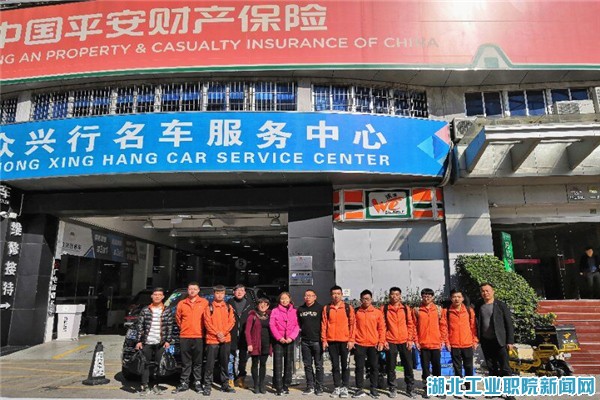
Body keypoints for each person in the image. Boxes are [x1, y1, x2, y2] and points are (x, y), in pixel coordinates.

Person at [475, 283, 515, 400]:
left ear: (493, 291)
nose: (485, 293)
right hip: (486, 341)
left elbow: (509, 323)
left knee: (505, 367)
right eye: (483, 291)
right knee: (491, 367)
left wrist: (510, 341)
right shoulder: (479, 305)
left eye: (487, 290)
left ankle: (509, 392)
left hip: (500, 341)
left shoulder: (501, 305)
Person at [135, 287, 173, 396]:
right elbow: (140, 326)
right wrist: (139, 341)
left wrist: (168, 340)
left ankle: (156, 385)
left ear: (163, 297)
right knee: (145, 364)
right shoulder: (145, 310)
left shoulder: (167, 310)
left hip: (160, 342)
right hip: (147, 341)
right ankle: (145, 385)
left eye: (159, 295)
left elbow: (169, 326)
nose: (157, 296)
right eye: (155, 294)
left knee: (158, 364)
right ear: (152, 296)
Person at [173, 282, 209, 394]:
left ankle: (197, 382)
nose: (192, 291)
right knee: (185, 362)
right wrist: (185, 327)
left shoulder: (204, 303)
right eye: (190, 289)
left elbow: (207, 318)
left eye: (194, 289)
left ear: (198, 290)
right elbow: (178, 319)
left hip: (199, 336)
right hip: (185, 336)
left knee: (198, 362)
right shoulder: (181, 303)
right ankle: (184, 382)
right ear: (187, 290)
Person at [380, 287, 415, 399]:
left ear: (400, 296)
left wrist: (410, 339)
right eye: (392, 294)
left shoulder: (405, 308)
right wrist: (384, 340)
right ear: (389, 296)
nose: (394, 296)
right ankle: (392, 388)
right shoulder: (384, 308)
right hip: (390, 340)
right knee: (391, 366)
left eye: (397, 294)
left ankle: (410, 388)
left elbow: (410, 324)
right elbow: (382, 326)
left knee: (408, 365)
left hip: (404, 340)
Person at [321, 285, 355, 399]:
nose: (336, 296)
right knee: (335, 366)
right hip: (332, 341)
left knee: (345, 365)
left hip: (345, 341)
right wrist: (324, 340)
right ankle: (337, 387)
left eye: (338, 294)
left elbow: (352, 325)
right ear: (331, 295)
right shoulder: (327, 308)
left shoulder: (348, 308)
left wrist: (351, 340)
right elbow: (324, 325)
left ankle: (345, 387)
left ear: (342, 295)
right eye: (334, 294)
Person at [413, 288, 447, 399]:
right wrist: (416, 341)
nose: (426, 298)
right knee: (425, 368)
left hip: (436, 344)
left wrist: (442, 340)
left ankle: (438, 388)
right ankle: (427, 388)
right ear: (421, 297)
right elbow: (414, 327)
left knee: (437, 367)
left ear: (432, 297)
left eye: (429, 296)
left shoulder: (438, 309)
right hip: (423, 344)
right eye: (424, 296)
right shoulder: (417, 310)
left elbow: (443, 326)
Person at [203, 284, 236, 396]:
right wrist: (217, 333)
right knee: (210, 364)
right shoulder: (209, 307)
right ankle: (207, 385)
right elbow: (207, 323)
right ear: (214, 294)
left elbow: (232, 321)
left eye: (222, 293)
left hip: (225, 339)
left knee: (224, 363)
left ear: (224, 294)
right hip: (212, 339)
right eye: (217, 293)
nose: (219, 295)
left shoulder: (228, 307)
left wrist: (223, 333)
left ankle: (225, 384)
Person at [445, 289, 478, 400]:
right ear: (451, 298)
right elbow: (445, 328)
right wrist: (447, 342)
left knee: (469, 367)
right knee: (457, 368)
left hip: (467, 343)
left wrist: (475, 340)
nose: (456, 299)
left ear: (463, 298)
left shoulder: (469, 310)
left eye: (459, 297)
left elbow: (473, 327)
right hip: (454, 344)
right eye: (454, 297)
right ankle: (457, 388)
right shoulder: (447, 311)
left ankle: (469, 389)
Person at [353, 289, 385, 399]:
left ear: (371, 299)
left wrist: (381, 341)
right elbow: (353, 327)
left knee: (374, 367)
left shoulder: (377, 312)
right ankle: (359, 388)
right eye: (363, 299)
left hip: (373, 344)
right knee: (359, 367)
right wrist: (352, 340)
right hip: (359, 343)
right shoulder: (356, 312)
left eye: (368, 299)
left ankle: (373, 388)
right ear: (360, 300)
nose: (366, 301)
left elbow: (381, 328)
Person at [270, 291, 300, 396]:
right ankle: (278, 387)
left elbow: (297, 325)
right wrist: (279, 337)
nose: (284, 300)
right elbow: (272, 325)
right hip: (278, 340)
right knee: (278, 364)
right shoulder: (275, 311)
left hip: (290, 340)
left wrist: (291, 337)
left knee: (288, 363)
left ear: (290, 299)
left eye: (286, 298)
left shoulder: (295, 311)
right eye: (282, 298)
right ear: (279, 300)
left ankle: (286, 385)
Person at [297, 289, 325, 396]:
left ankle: (319, 386)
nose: (308, 297)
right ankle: (310, 386)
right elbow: (299, 324)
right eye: (306, 295)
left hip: (317, 341)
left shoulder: (320, 308)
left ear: (315, 297)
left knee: (319, 365)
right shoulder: (300, 309)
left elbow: (324, 323)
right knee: (307, 365)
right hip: (305, 341)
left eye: (310, 295)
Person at [228, 284, 254, 389]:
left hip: (244, 336)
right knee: (230, 358)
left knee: (243, 359)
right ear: (234, 292)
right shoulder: (228, 303)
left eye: (242, 290)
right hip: (231, 335)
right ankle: (230, 379)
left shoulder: (249, 305)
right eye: (237, 290)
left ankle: (241, 379)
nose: (239, 292)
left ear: (244, 293)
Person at [245, 297, 272, 395]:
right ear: (257, 305)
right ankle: (255, 384)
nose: (263, 305)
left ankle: (261, 384)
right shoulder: (252, 316)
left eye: (265, 304)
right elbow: (247, 331)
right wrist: (249, 344)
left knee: (263, 364)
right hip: (255, 343)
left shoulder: (270, 316)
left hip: (266, 343)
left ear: (268, 306)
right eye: (261, 303)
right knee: (255, 364)